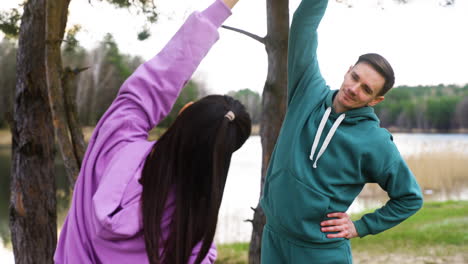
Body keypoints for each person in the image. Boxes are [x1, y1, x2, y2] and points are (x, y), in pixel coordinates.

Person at [54, 0, 251, 263]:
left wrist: (221, 7)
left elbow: (154, 84)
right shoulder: (191, 238)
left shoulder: (115, 142)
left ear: (184, 111)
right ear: (221, 154)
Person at [260, 0, 423, 263]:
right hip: (274, 238)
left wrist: (361, 227)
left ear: (375, 100)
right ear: (348, 70)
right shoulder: (307, 90)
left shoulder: (375, 141)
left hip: (319, 252)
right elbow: (303, 25)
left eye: (367, 89)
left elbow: (409, 198)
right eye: (355, 77)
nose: (354, 88)